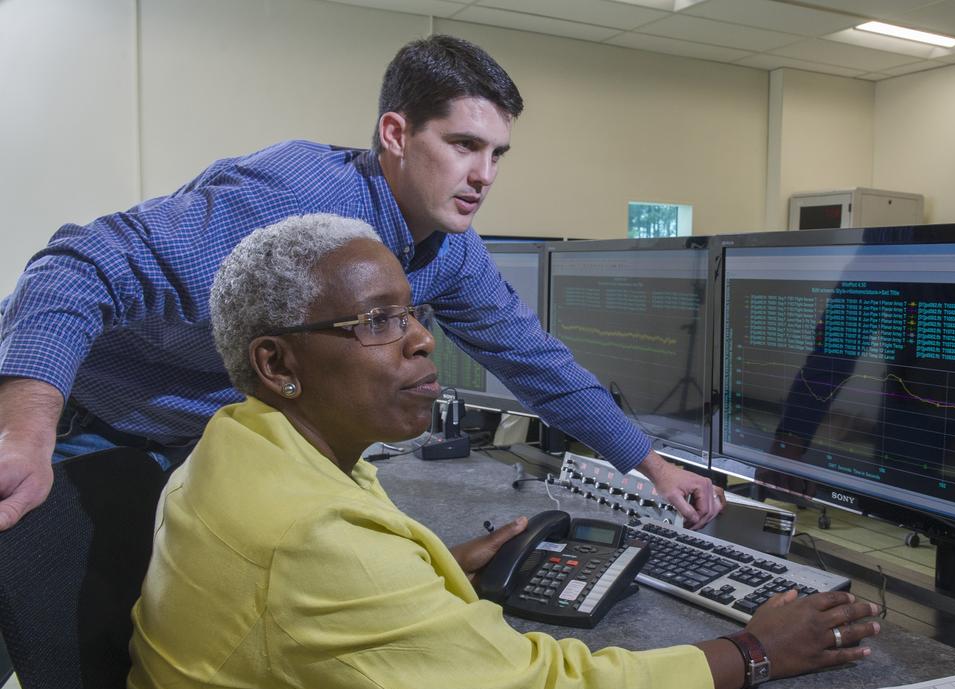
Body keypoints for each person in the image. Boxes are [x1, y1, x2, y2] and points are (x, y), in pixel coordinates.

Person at [114, 213, 881, 689]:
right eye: (377, 322)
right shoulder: (307, 536)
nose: (421, 340)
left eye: (412, 313)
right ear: (277, 364)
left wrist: (424, 576)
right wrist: (754, 649)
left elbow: (308, 593)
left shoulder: (239, 448)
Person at [0, 34, 719, 533]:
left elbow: (535, 361)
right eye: (464, 145)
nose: (485, 175)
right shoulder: (289, 203)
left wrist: (652, 465)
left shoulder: (446, 249)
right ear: (397, 135)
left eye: (498, 153)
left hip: (186, 443)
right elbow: (79, 266)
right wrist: (24, 427)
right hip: (77, 418)